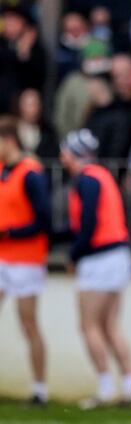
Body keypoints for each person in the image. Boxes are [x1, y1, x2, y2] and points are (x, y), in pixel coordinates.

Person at [57, 128, 131, 408]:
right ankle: (128, 387)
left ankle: (105, 387)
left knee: (89, 325)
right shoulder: (101, 176)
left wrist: (74, 255)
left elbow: (88, 225)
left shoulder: (86, 180)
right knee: (110, 325)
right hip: (118, 254)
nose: (62, 157)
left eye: (66, 151)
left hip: (99, 259)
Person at [0, 115, 50, 405]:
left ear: (9, 141)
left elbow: (42, 220)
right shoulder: (3, 171)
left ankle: (39, 389)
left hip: (27, 259)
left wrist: (8, 232)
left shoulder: (31, 173)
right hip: (4, 257)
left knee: (28, 323)